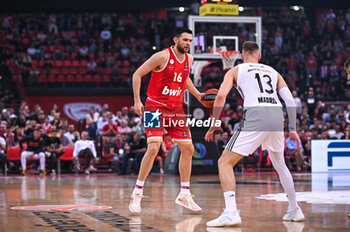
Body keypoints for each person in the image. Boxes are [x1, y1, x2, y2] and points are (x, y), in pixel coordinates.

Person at [205, 41, 304, 227]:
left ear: (242, 56)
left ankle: (231, 212)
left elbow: (220, 96)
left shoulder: (235, 70)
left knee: (224, 162)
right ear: (259, 56)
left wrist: (214, 123)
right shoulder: (272, 71)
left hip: (256, 114)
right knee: (280, 164)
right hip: (277, 115)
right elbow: (289, 99)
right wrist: (292, 129)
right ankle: (294, 209)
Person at [129, 28, 204, 214]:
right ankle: (137, 192)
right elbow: (137, 75)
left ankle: (184, 194)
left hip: (176, 110)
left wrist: (198, 94)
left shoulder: (189, 59)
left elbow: (184, 79)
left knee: (189, 148)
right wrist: (137, 101)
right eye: (185, 40)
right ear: (176, 40)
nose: (188, 43)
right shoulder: (161, 56)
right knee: (154, 147)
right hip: (154, 107)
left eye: (190, 40)